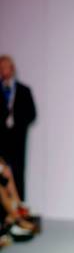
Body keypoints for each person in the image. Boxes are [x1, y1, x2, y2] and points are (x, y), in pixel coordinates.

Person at [0, 55, 37, 201]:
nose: (3, 71)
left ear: (12, 69)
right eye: (1, 68)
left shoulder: (23, 90)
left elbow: (32, 114)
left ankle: (20, 209)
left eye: (5, 67)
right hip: (2, 140)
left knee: (18, 174)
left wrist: (18, 124)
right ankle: (5, 214)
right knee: (2, 175)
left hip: (18, 140)